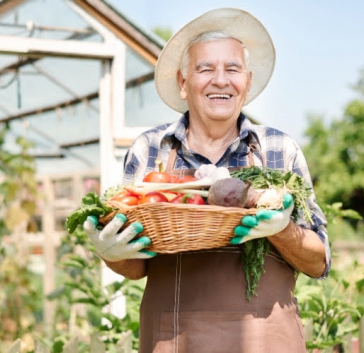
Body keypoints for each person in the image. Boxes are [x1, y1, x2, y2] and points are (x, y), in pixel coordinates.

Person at [83, 8, 331, 353]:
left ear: (246, 82)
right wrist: (110, 252)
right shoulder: (151, 150)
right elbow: (136, 265)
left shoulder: (279, 150)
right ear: (183, 84)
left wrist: (283, 230)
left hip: (266, 342)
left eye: (232, 69)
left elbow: (318, 261)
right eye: (205, 69)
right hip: (175, 341)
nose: (220, 80)